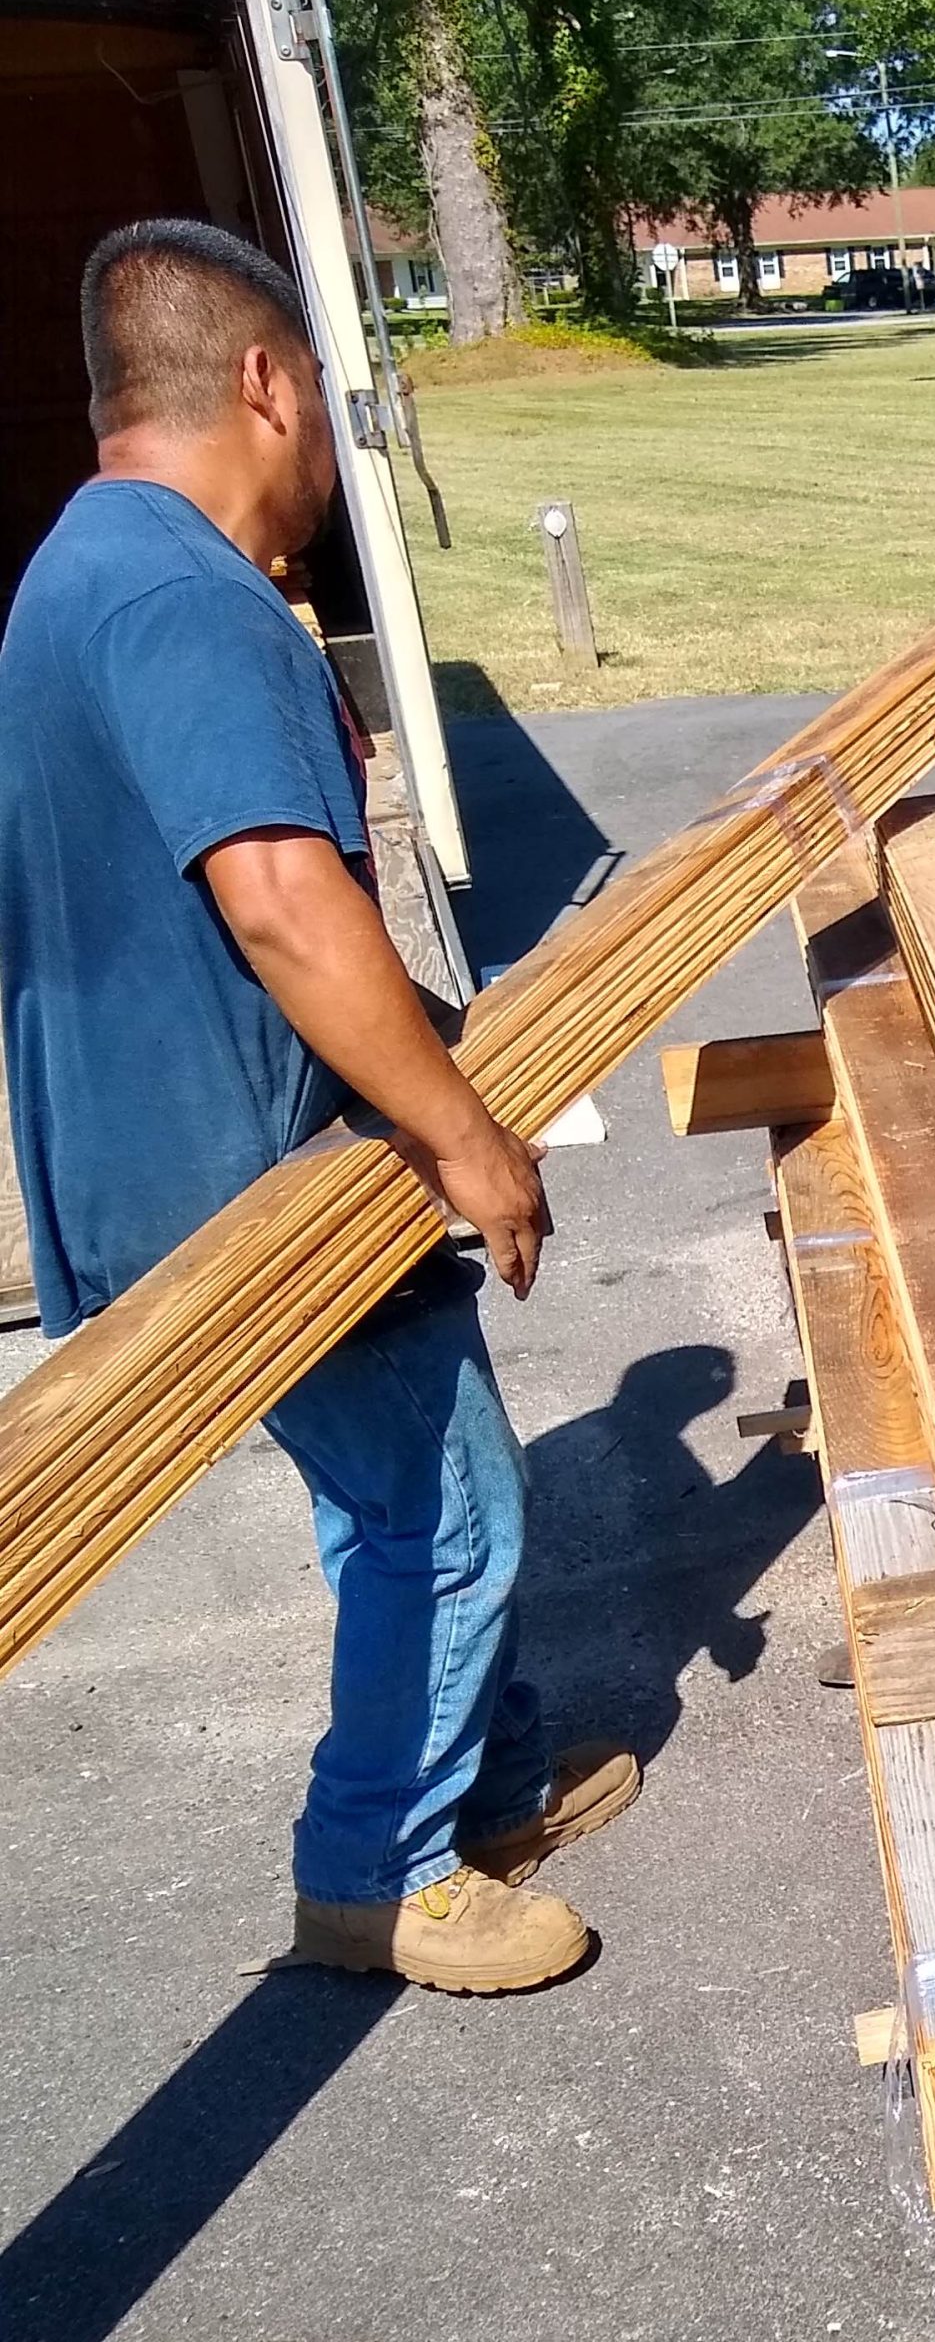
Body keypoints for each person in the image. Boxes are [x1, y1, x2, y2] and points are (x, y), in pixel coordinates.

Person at [0, 219, 635, 1994]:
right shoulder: (189, 596)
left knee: (408, 1485)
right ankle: (378, 1870)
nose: (321, 489)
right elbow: (276, 891)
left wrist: (438, 1043)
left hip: (166, 1154)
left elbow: (208, 906)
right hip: (244, 1174)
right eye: (321, 429)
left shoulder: (79, 569)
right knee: (446, 1515)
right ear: (265, 382)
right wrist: (462, 1132)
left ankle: (485, 1787)